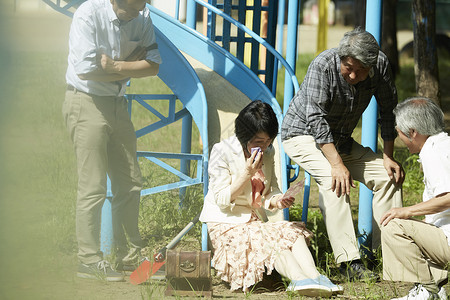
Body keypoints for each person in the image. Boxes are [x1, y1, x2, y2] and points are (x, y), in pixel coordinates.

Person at [281, 27, 404, 281]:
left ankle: (384, 253)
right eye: (348, 67)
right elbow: (315, 119)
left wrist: (388, 156)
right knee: (332, 178)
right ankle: (349, 262)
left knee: (387, 175)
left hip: (340, 141)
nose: (353, 75)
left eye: (361, 71)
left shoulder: (380, 65)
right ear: (341, 57)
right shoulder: (323, 65)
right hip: (301, 135)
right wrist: (336, 164)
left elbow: (389, 110)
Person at [199, 100, 343, 297]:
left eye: (268, 141)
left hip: (253, 220)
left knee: (291, 231)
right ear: (244, 136)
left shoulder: (268, 151)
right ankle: (299, 280)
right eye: (259, 142)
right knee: (269, 240)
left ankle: (314, 277)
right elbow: (222, 199)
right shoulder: (222, 151)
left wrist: (276, 200)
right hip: (226, 221)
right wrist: (246, 173)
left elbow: (270, 189)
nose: (265, 146)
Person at [63, 0, 161, 281]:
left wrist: (115, 64)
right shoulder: (88, 15)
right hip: (86, 100)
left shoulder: (142, 16)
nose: (136, 14)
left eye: (140, 7)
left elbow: (153, 66)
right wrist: (132, 64)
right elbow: (85, 69)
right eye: (130, 8)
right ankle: (89, 260)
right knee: (93, 185)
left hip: (118, 102)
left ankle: (129, 259)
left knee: (130, 182)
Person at [380, 97, 449, 300]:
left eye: (399, 132)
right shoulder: (444, 144)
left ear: (413, 132)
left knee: (394, 225)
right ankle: (432, 285)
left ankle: (428, 290)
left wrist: (407, 210)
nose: (399, 137)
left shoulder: (434, 152)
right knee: (419, 225)